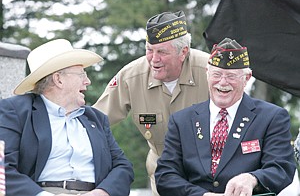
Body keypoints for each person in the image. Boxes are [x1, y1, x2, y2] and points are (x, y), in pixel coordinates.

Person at [155, 38, 296, 196]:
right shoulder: (181, 121)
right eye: (217, 74)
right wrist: (202, 195)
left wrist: (252, 178)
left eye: (231, 76)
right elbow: (165, 176)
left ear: (247, 78)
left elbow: (281, 168)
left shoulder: (272, 118)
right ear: (207, 74)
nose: (222, 82)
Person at [93, 11, 210, 195]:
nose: (153, 59)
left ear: (183, 52)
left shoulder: (211, 71)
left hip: (210, 176)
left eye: (162, 52)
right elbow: (95, 121)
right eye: (149, 50)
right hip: (163, 177)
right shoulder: (131, 76)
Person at [0, 39, 134, 196]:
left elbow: (123, 166)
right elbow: (3, 168)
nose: (87, 81)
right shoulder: (16, 111)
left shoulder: (96, 118)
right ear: (58, 79)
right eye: (82, 74)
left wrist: (101, 192)